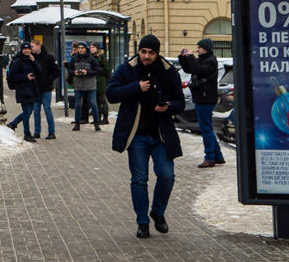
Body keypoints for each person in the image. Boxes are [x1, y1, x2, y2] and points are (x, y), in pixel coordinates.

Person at [107, 34, 186, 238]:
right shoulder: (128, 68)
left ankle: (158, 213)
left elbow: (180, 102)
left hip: (161, 135)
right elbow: (112, 93)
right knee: (139, 179)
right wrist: (136, 87)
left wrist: (168, 107)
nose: (147, 56)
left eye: (151, 53)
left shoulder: (168, 71)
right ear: (139, 51)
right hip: (137, 136)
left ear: (157, 53)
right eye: (143, 52)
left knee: (167, 176)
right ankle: (142, 221)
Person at [179, 37, 225, 168]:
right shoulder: (202, 59)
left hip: (206, 99)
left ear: (205, 48)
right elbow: (189, 69)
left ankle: (209, 157)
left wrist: (191, 57)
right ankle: (218, 156)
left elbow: (199, 70)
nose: (197, 49)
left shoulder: (210, 61)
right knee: (207, 127)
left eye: (199, 47)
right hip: (201, 98)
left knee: (206, 129)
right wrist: (183, 57)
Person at [5, 42, 40, 142]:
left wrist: (34, 62)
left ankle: (14, 124)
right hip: (23, 90)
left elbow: (39, 72)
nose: (27, 50)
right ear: (22, 50)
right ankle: (26, 133)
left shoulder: (30, 60)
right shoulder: (18, 61)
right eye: (25, 49)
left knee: (28, 112)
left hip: (32, 89)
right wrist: (25, 77)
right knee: (27, 112)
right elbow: (12, 76)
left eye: (28, 49)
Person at [69, 41, 102, 131]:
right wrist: (74, 72)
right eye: (79, 48)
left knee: (93, 104)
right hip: (79, 85)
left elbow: (97, 70)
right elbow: (70, 69)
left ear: (85, 48)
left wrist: (87, 72)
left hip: (90, 85)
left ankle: (96, 123)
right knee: (78, 105)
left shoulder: (91, 59)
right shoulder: (74, 59)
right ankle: (77, 123)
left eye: (82, 48)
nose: (80, 50)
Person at [30, 40, 59, 139]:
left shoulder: (49, 58)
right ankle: (37, 131)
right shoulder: (31, 58)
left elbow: (56, 71)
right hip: (35, 88)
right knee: (36, 110)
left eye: (33, 46)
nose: (31, 48)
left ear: (39, 46)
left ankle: (51, 131)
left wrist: (48, 80)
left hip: (46, 88)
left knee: (47, 109)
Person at [89, 42, 111, 123]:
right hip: (93, 81)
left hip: (100, 81)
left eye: (93, 47)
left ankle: (105, 118)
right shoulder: (91, 57)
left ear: (97, 48)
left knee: (102, 100)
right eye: (91, 47)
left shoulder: (101, 57)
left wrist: (97, 71)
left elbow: (107, 68)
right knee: (96, 101)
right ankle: (97, 118)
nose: (92, 48)